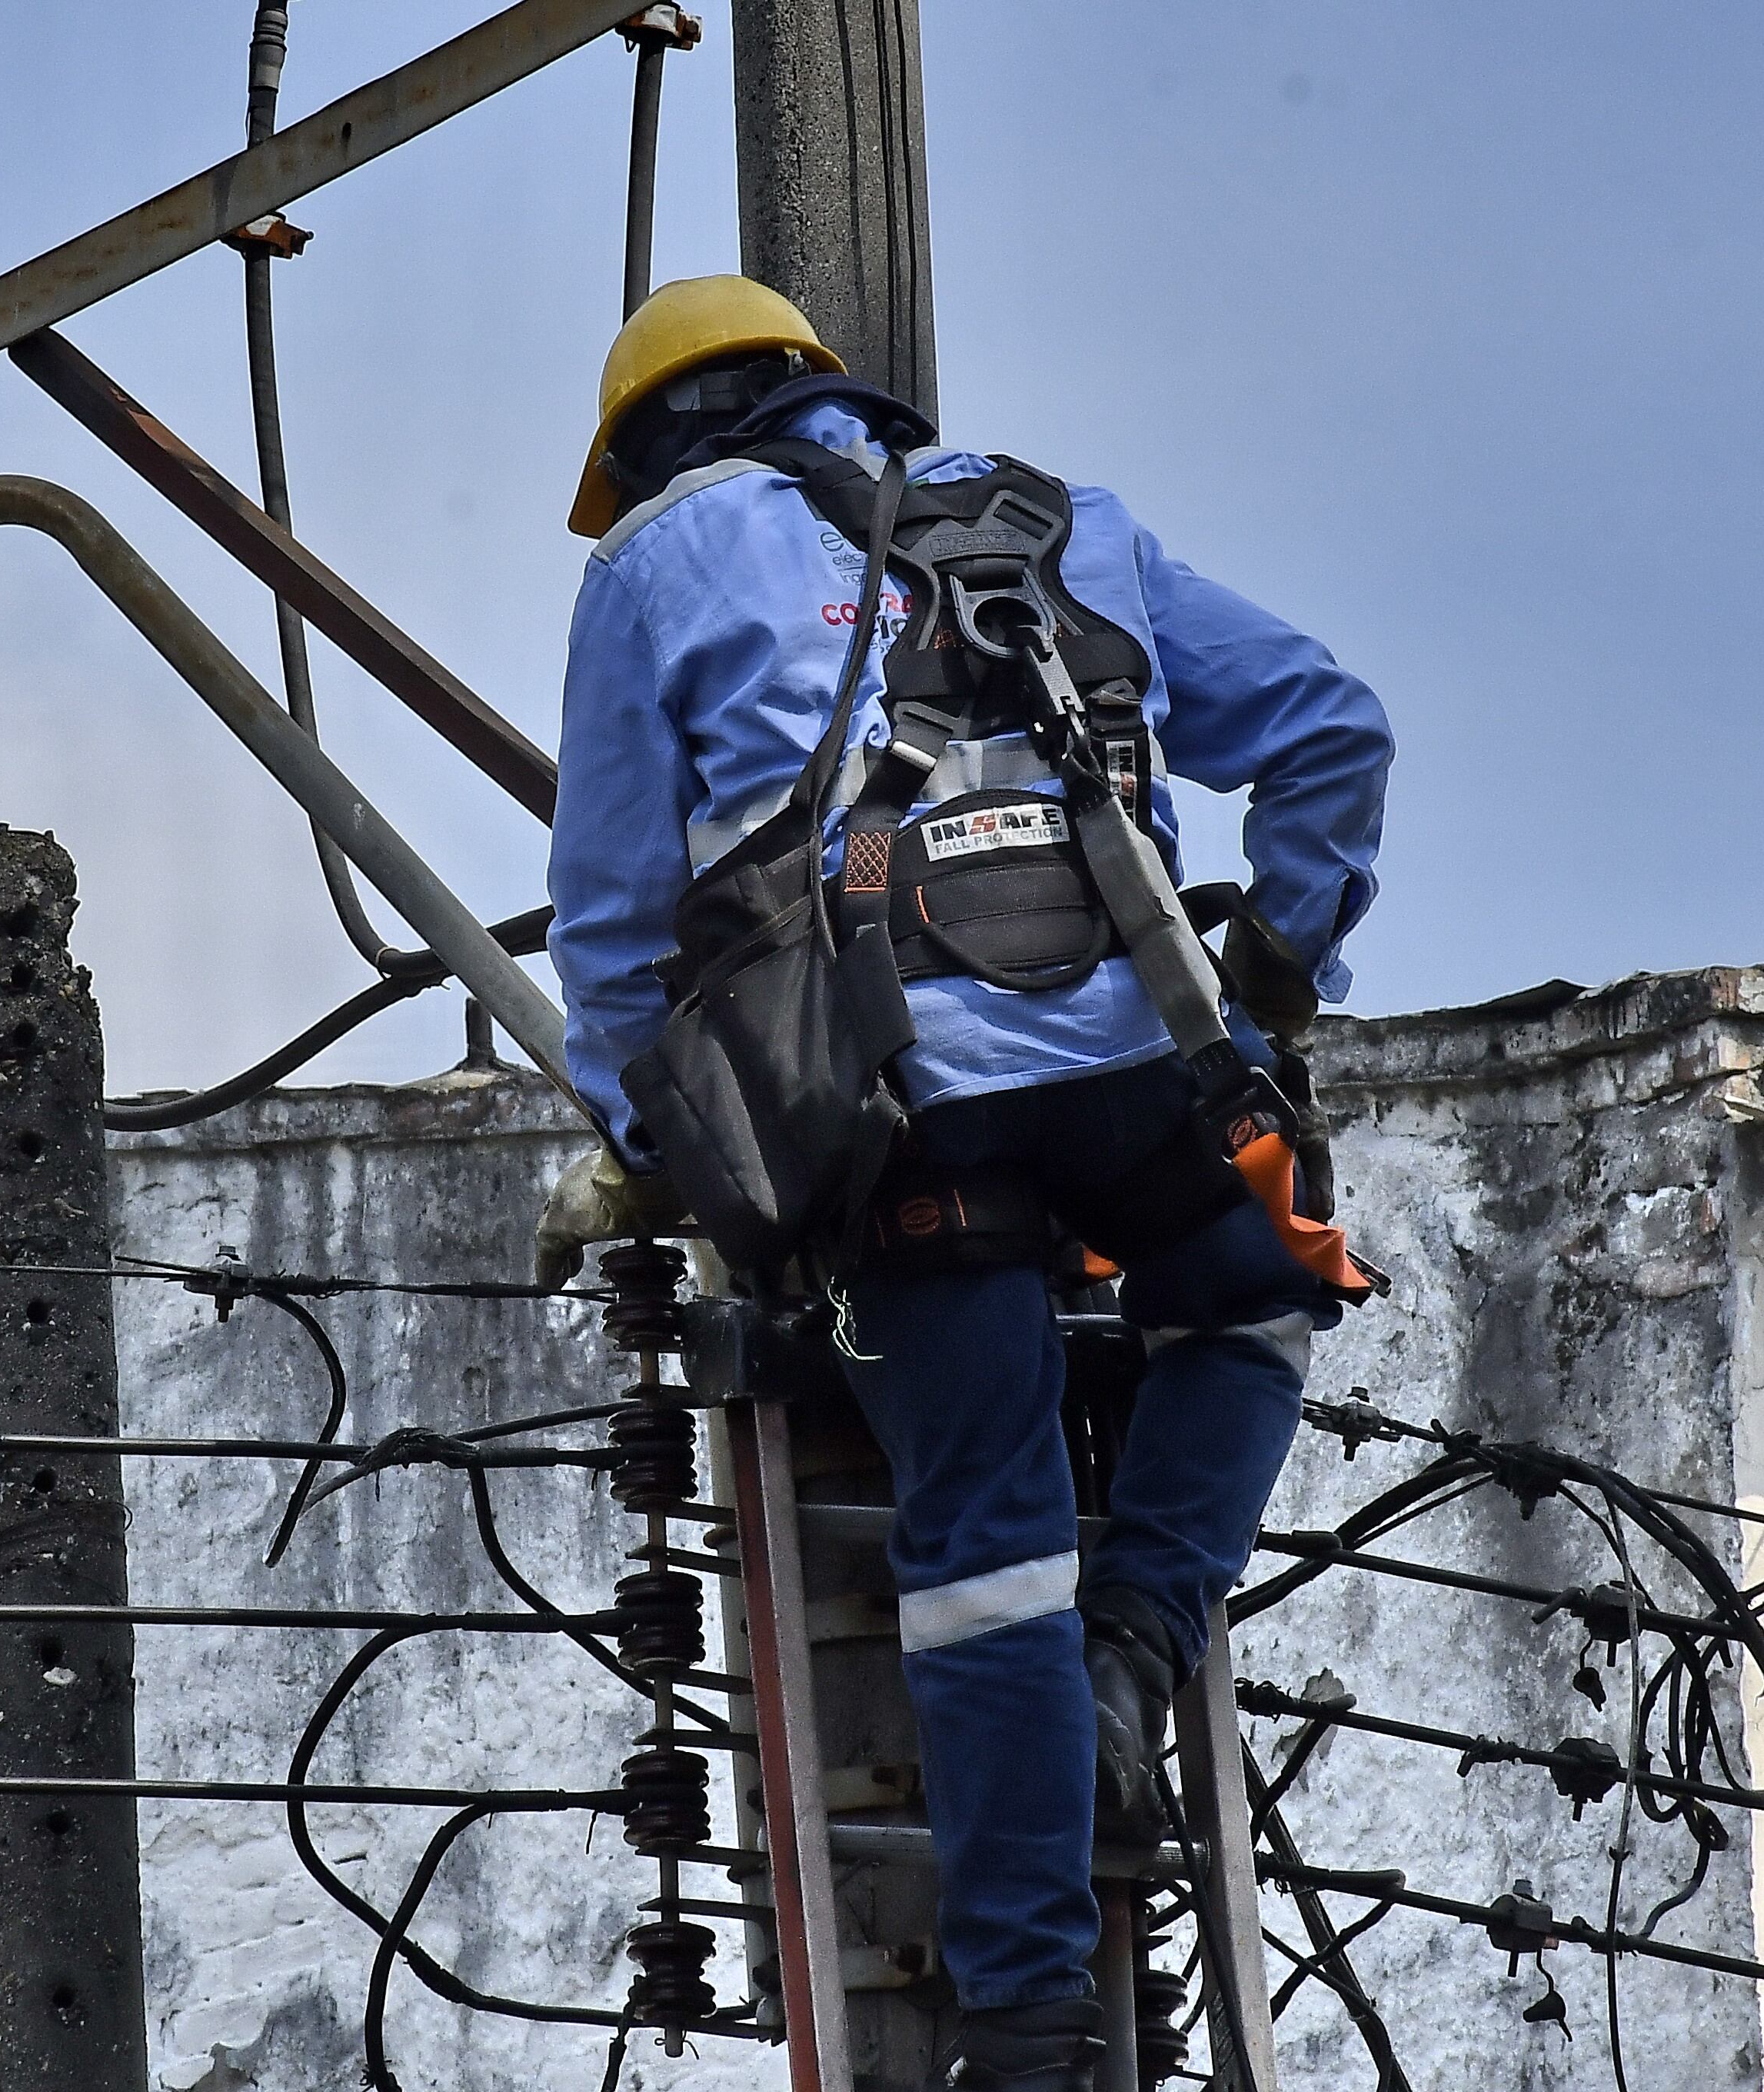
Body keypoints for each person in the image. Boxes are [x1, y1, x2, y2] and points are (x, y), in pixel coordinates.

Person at [535, 276, 1393, 2091]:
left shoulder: (652, 567)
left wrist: (655, 1150)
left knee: (980, 1550)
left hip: (885, 1115)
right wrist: (1271, 985)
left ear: (642, 448)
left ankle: (1022, 2027)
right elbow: (1328, 730)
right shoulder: (1059, 520)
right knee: (1251, 1299)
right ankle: (1140, 1633)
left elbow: (612, 929)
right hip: (1135, 1077)